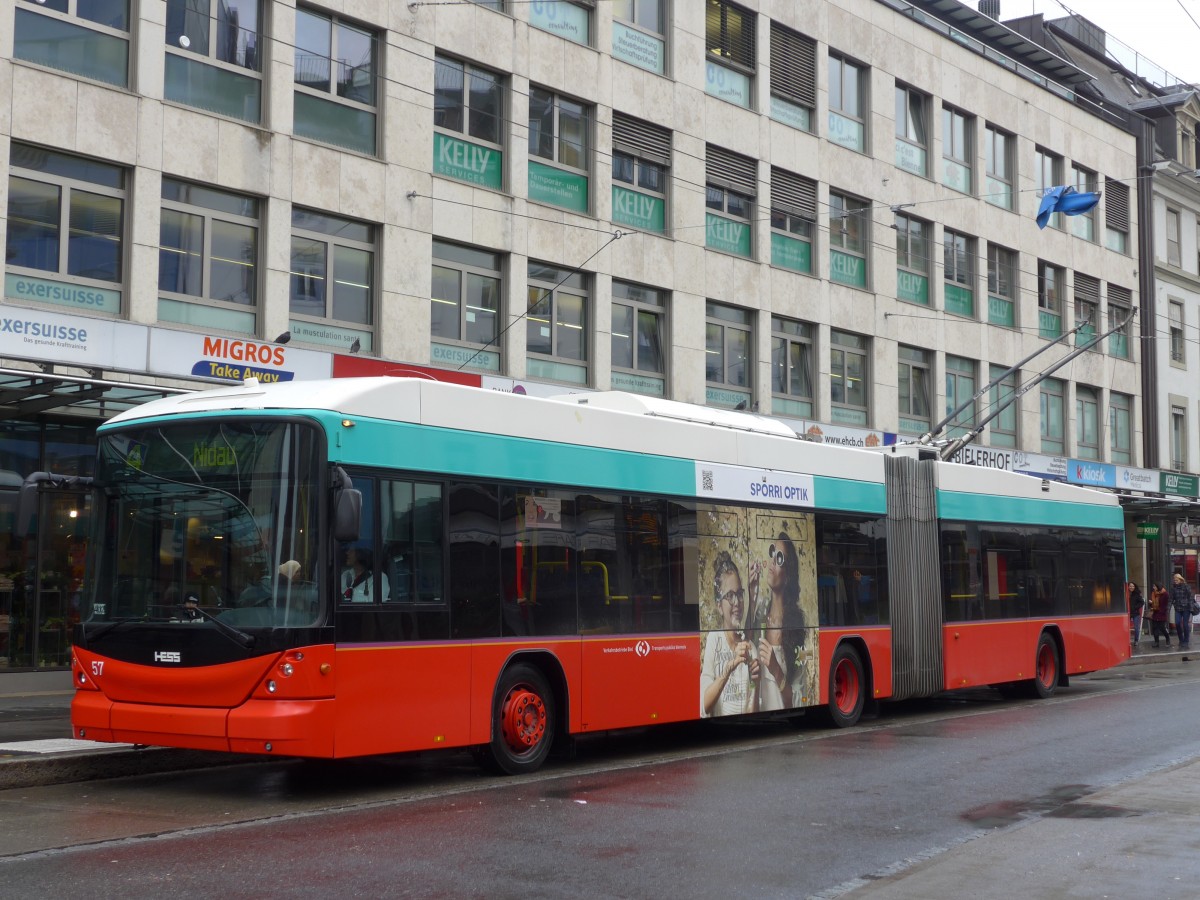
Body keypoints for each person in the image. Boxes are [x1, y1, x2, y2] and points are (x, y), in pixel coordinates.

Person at [748, 532, 806, 710]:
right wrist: (751, 598)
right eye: (772, 552)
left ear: (788, 576)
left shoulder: (797, 624)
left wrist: (775, 668)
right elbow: (745, 645)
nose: (772, 560)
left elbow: (799, 697)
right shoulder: (760, 613)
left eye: (779, 558)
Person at [700, 551, 760, 717]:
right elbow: (705, 706)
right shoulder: (714, 639)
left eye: (739, 594)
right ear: (719, 606)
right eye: (730, 595)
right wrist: (727, 670)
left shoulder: (751, 649)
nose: (737, 603)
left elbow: (752, 714)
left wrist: (756, 685)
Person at [1169, 573, 1194, 650]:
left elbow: (1190, 597)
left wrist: (1191, 608)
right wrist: (1168, 608)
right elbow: (1170, 599)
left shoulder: (1186, 587)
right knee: (1177, 623)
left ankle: (1186, 640)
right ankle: (1181, 639)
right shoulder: (1173, 588)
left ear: (1180, 580)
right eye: (1174, 580)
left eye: (1176, 580)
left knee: (1185, 624)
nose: (1175, 581)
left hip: (1186, 608)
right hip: (1178, 608)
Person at [1150, 582, 1171, 648]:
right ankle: (1156, 642)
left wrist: (1162, 611)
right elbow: (1153, 603)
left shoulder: (1165, 594)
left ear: (1158, 587)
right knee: (1155, 628)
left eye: (1154, 586)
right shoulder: (1153, 593)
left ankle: (1167, 639)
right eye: (1153, 587)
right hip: (1155, 612)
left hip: (1162, 613)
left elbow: (1166, 604)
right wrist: (1151, 603)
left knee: (1162, 628)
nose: (1153, 588)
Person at [1128, 582, 1145, 649]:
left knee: (1136, 627)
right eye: (1130, 586)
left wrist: (1135, 607)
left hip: (1135, 613)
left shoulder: (1137, 594)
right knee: (1126, 627)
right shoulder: (1126, 593)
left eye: (1132, 586)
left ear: (1135, 587)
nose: (1131, 587)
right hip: (1128, 613)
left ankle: (1136, 640)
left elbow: (1142, 602)